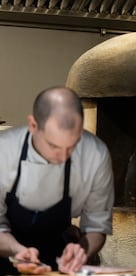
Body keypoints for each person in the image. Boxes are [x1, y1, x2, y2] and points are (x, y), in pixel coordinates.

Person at [0, 86, 114, 274]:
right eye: (53, 145)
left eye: (72, 146)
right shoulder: (4, 151)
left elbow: (96, 225)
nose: (63, 157)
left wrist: (82, 250)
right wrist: (17, 250)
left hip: (58, 262)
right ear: (33, 125)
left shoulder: (95, 153)